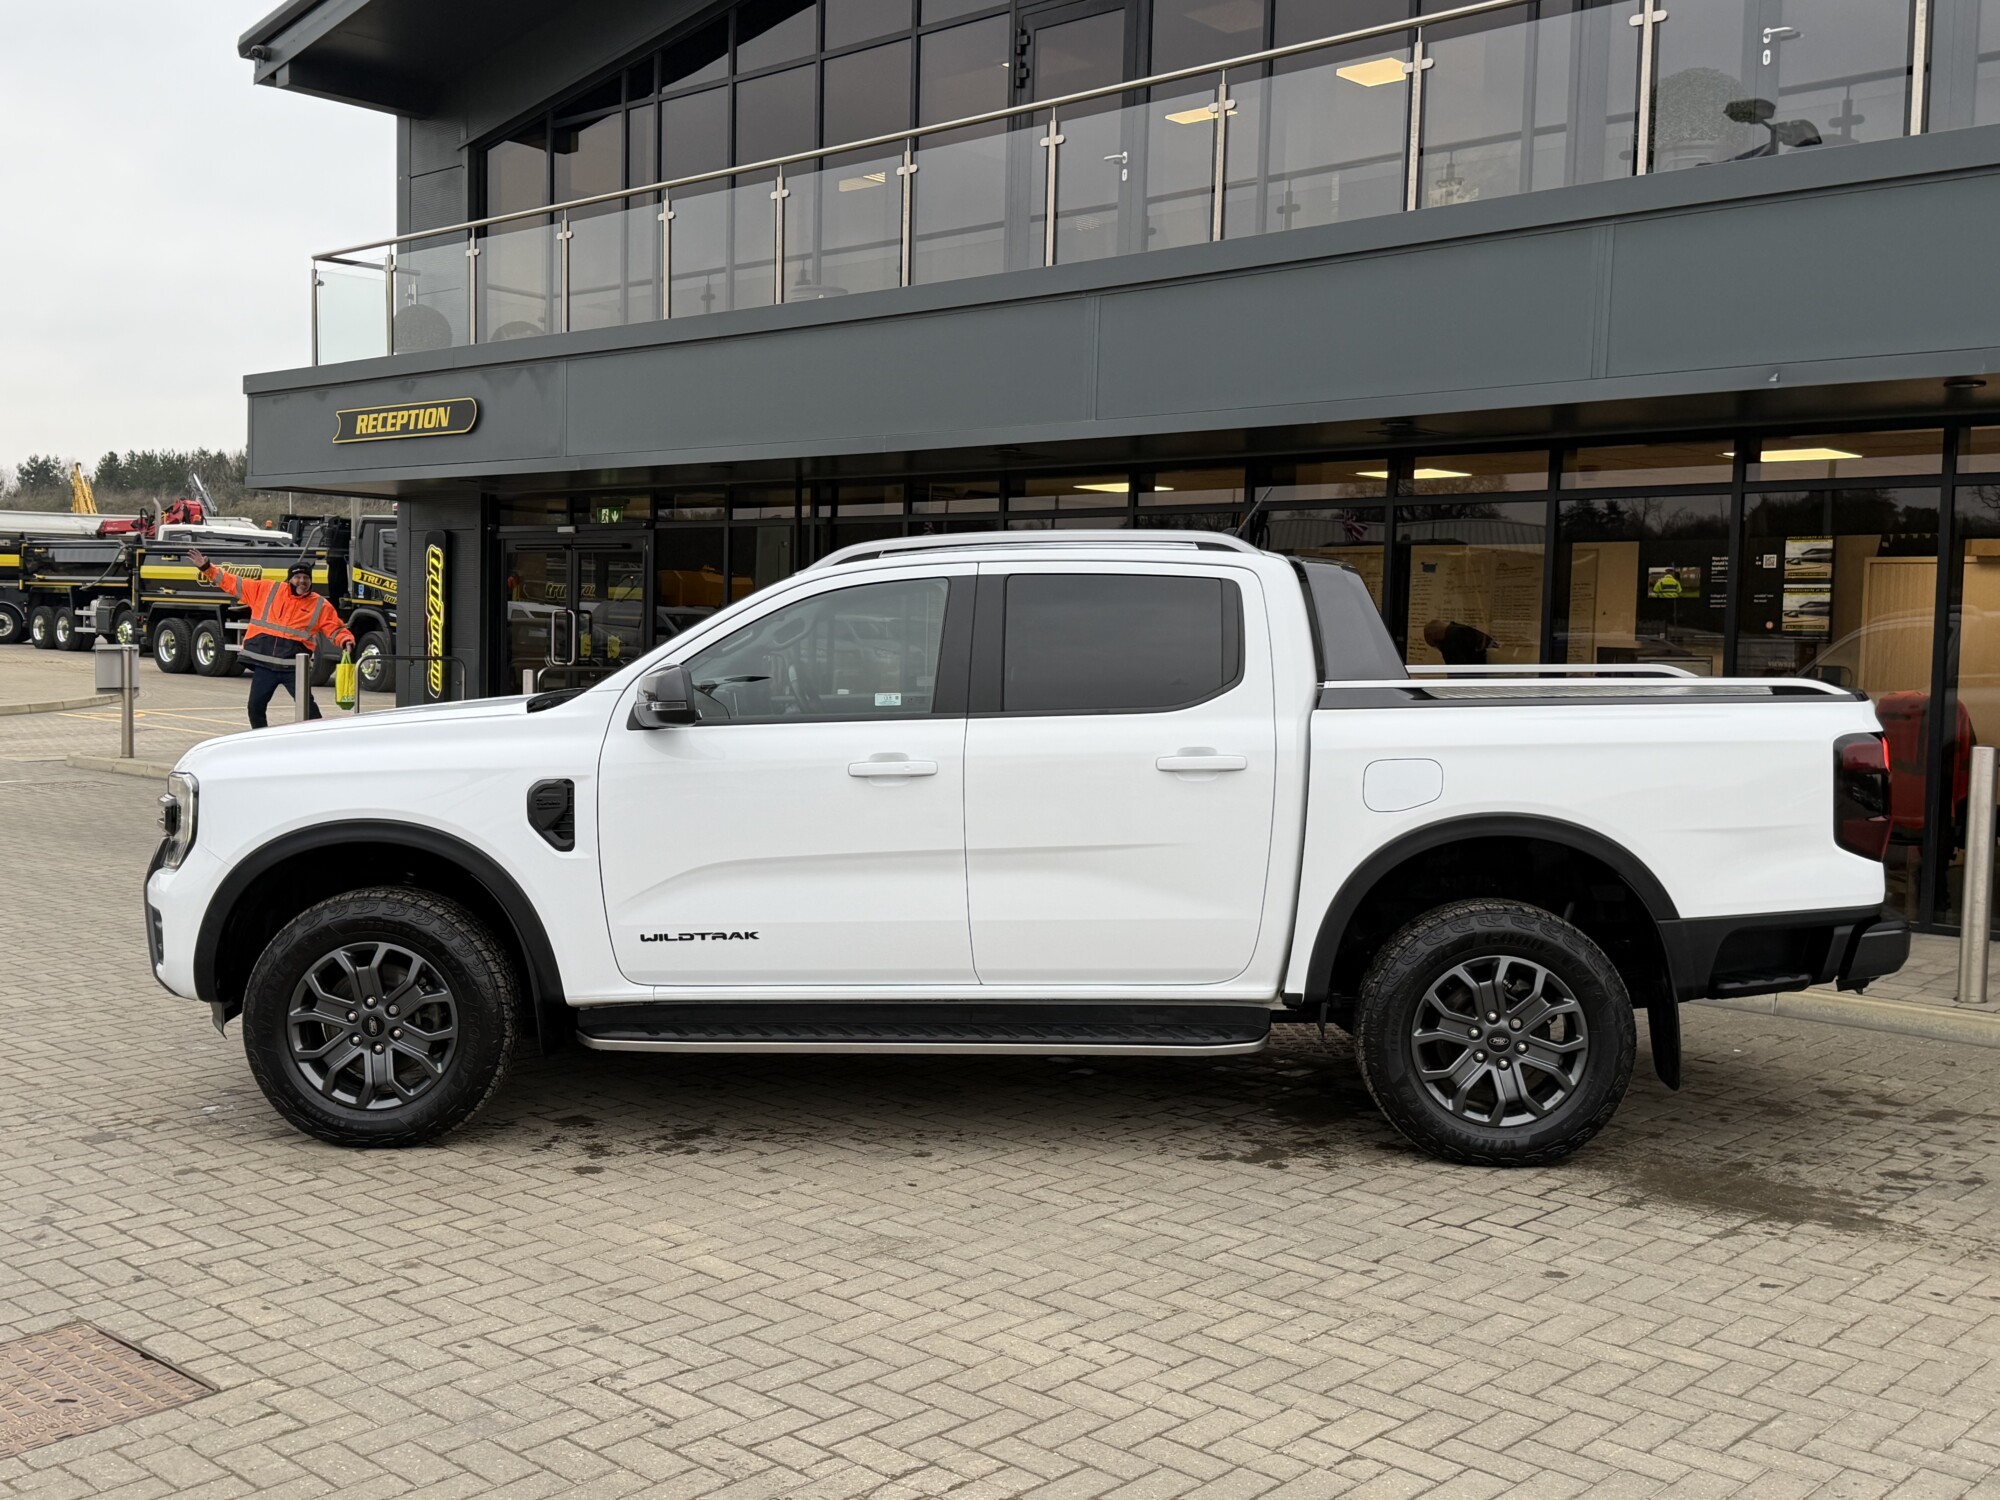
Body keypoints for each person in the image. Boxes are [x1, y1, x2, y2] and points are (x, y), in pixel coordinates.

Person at [185, 548, 356, 728]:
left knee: (309, 710)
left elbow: (335, 628)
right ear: (289, 579)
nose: (302, 581)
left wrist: (345, 640)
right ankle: (260, 739)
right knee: (255, 707)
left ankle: (317, 740)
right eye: (298, 577)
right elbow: (232, 582)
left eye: (306, 578)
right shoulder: (266, 590)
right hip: (264, 666)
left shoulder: (320, 604)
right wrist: (206, 567)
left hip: (293, 668)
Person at [1423, 617, 1497, 666]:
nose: (1440, 649)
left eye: (1437, 645)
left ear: (1436, 636)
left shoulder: (1450, 640)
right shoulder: (1460, 629)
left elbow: (1456, 671)